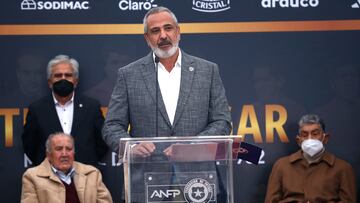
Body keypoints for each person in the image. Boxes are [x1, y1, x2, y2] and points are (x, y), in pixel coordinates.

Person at [102, 6, 232, 202]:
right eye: (155, 31)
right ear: (147, 38)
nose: (163, 35)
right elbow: (112, 127)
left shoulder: (208, 71)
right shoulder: (129, 75)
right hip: (146, 182)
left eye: (168, 28)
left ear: (178, 32)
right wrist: (131, 146)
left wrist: (191, 146)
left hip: (198, 181)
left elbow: (222, 122)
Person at [22, 54, 108, 166]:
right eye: (58, 75)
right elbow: (30, 146)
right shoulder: (37, 109)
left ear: (76, 81)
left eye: (68, 75)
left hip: (84, 176)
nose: (63, 79)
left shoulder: (91, 106)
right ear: (49, 82)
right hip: (48, 178)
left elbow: (102, 143)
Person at [265, 114, 357, 203]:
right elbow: (270, 201)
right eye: (304, 135)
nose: (310, 139)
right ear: (298, 140)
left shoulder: (342, 168)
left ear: (325, 138)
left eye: (315, 133)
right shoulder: (282, 165)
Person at [21, 132, 113, 203]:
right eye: (59, 149)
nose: (64, 154)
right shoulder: (32, 177)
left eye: (69, 149)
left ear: (74, 153)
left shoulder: (92, 173)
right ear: (48, 154)